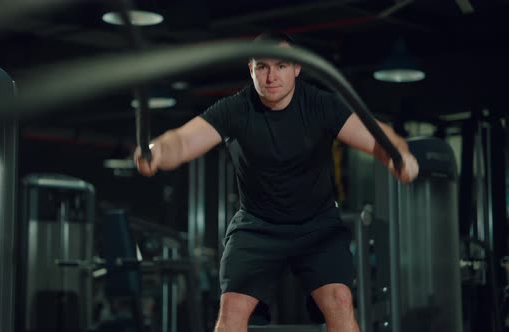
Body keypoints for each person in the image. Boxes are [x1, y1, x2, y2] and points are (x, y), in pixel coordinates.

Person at [135, 32, 419, 332]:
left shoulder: (321, 105)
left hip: (317, 225)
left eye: (281, 66)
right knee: (231, 311)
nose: (271, 77)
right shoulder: (235, 109)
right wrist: (157, 152)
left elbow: (377, 137)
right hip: (257, 226)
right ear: (251, 69)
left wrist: (398, 155)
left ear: (297, 68)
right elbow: (181, 141)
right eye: (262, 67)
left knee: (340, 300)